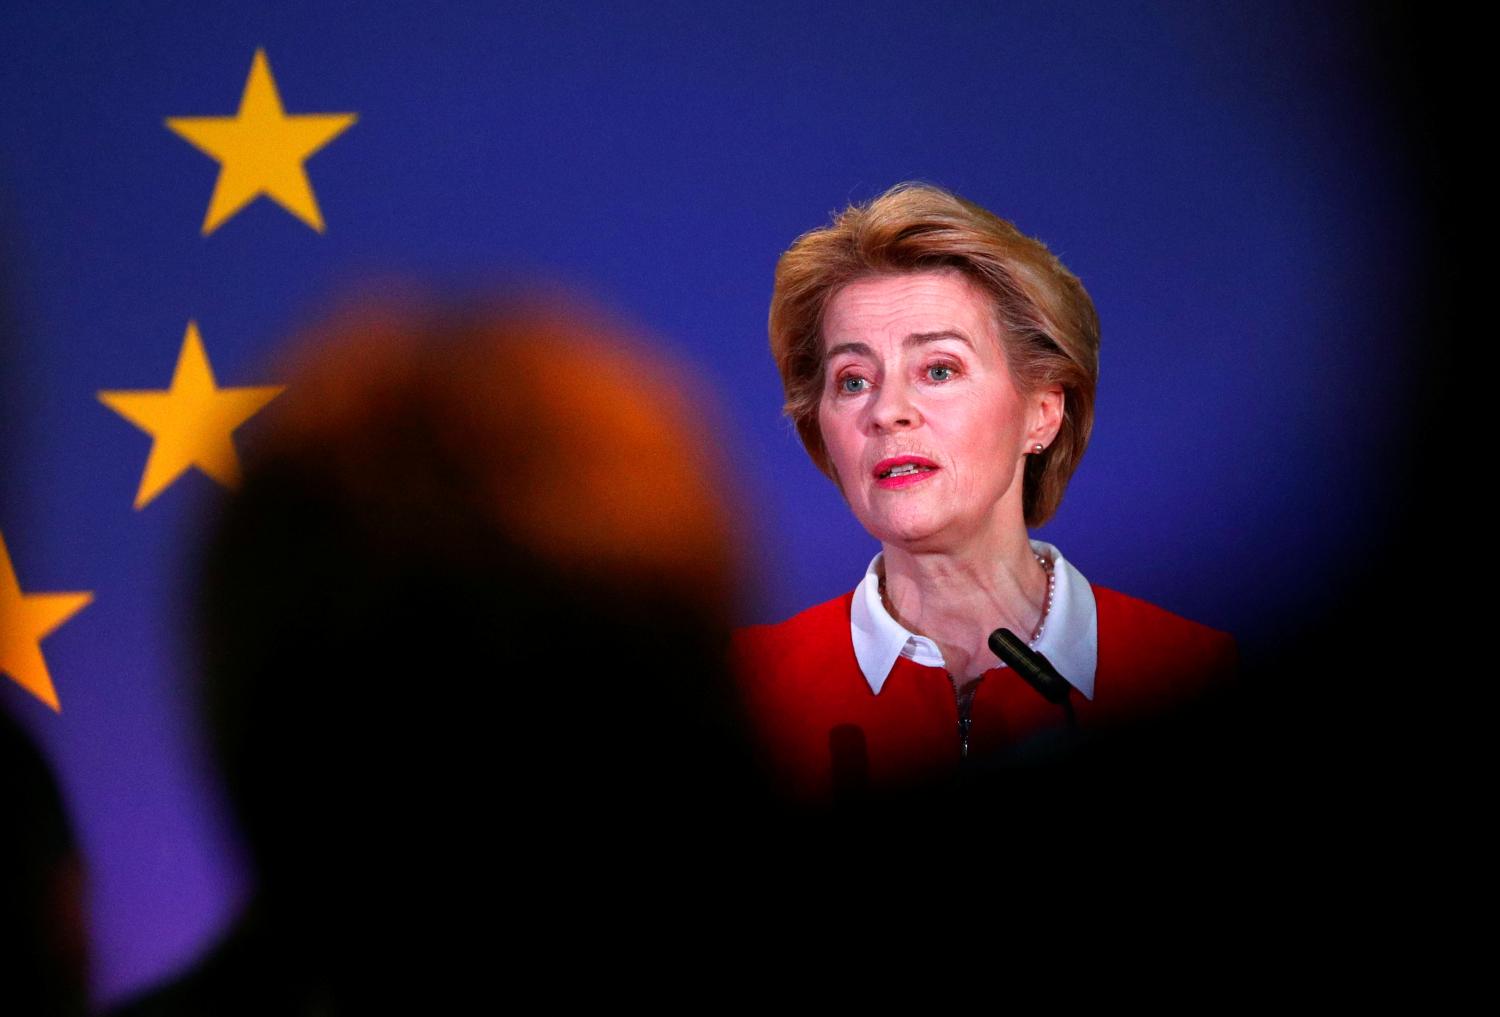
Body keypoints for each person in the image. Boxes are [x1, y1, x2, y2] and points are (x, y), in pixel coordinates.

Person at [733, 183, 1236, 803]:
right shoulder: (736, 696)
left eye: (938, 370)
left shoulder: (1190, 672)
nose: (888, 412)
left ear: (1042, 413)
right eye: (854, 379)